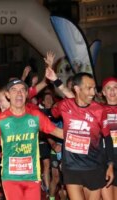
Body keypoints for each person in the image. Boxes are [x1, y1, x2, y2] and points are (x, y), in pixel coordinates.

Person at [0, 79, 63, 200]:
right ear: (8, 95)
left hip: (32, 176)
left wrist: (83, 134)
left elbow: (58, 132)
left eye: (22, 90)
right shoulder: (1, 119)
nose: (19, 93)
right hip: (10, 178)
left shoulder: (35, 116)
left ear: (26, 94)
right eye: (14, 90)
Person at [46, 69, 114, 199]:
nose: (93, 93)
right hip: (71, 168)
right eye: (89, 88)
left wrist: (110, 165)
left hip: (94, 167)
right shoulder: (64, 105)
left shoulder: (99, 110)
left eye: (94, 88)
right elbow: (50, 117)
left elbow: (108, 138)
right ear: (77, 89)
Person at [101, 77, 117, 200]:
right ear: (103, 92)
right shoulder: (98, 110)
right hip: (104, 158)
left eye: (115, 87)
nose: (112, 91)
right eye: (109, 88)